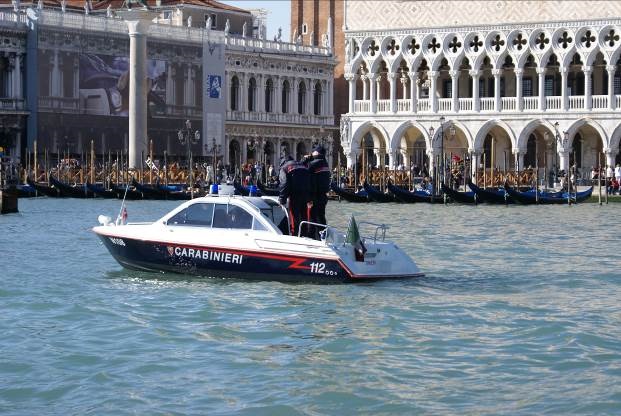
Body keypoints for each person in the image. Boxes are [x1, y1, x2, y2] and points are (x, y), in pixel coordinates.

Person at [278, 154, 312, 236]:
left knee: (294, 218)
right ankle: (304, 235)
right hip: (306, 194)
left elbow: (284, 183)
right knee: (304, 216)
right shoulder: (302, 165)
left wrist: (282, 199)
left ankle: (295, 235)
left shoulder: (284, 168)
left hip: (295, 195)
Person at [304, 145, 331, 240]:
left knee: (312, 217)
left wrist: (306, 159)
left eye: (313, 152)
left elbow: (303, 170)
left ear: (317, 153)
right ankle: (322, 236)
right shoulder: (325, 163)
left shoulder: (313, 163)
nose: (311, 153)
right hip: (323, 195)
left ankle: (312, 238)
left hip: (315, 195)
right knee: (321, 216)